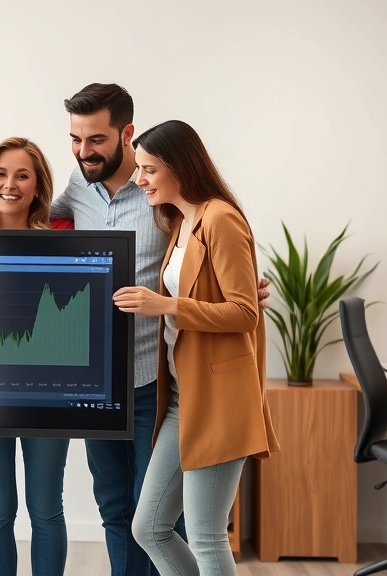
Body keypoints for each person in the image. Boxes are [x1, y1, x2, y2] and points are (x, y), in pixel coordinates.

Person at [51, 83, 270, 576]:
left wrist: (183, 302)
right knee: (133, 518)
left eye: (96, 140)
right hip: (122, 384)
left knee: (195, 529)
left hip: (170, 383)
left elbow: (229, 299)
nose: (84, 151)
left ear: (127, 135)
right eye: (75, 139)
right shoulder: (87, 190)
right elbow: (38, 222)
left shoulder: (189, 212)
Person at [117, 120, 279, 576]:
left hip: (219, 401)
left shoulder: (221, 218)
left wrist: (165, 304)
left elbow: (243, 314)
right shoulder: (183, 222)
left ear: (179, 167)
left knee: (207, 538)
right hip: (183, 399)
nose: (140, 179)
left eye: (148, 169)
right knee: (149, 527)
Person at [0, 137, 72, 576]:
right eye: (1, 174)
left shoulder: (63, 235)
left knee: (46, 510)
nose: (10, 184)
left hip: (49, 395)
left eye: (22, 175)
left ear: (38, 184)